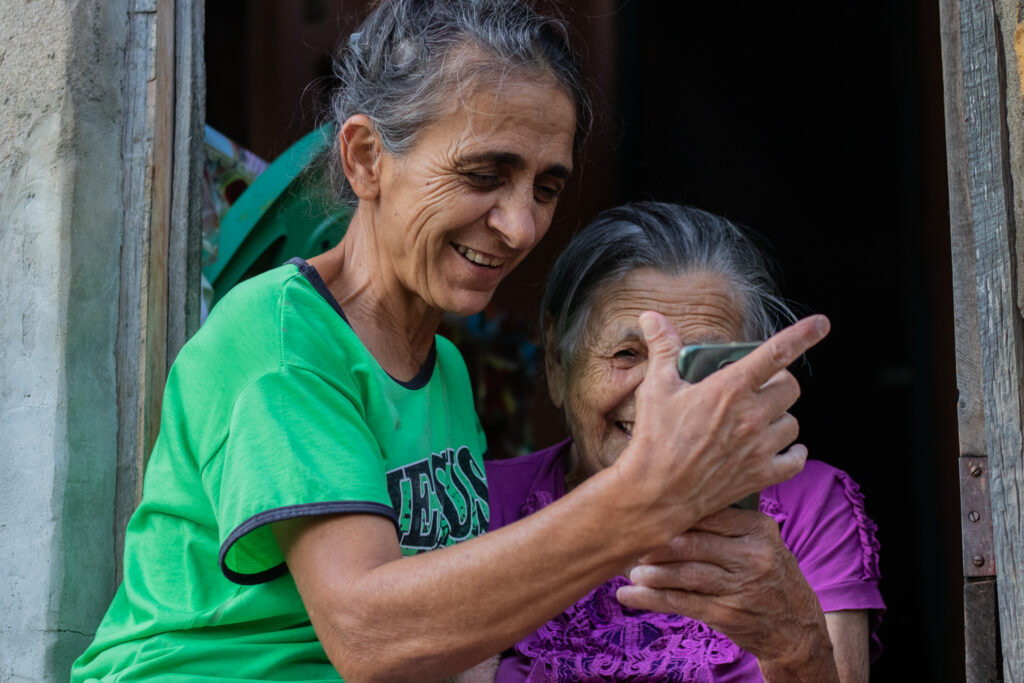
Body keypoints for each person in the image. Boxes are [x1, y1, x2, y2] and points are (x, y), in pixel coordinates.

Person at [72, 2, 831, 681]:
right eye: (483, 174)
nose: (521, 225)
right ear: (367, 158)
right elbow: (371, 633)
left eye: (544, 186)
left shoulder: (442, 371)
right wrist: (648, 495)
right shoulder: (280, 341)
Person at [486, 201, 885, 682]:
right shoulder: (484, 505)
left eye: (700, 362)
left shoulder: (809, 506)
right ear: (557, 365)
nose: (660, 399)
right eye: (627, 354)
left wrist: (795, 644)